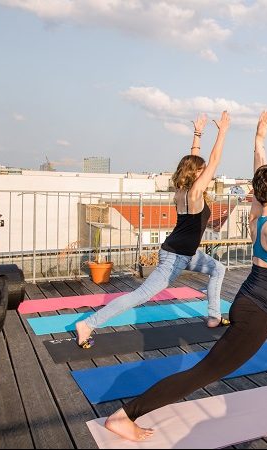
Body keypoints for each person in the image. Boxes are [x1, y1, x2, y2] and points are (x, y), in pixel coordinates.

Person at [102, 107, 267, 442]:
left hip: (264, 302)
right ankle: (124, 416)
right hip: (258, 314)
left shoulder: (257, 215)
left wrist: (259, 139)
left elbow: (263, 176)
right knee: (202, 373)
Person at [75, 111, 232, 348]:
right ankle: (88, 324)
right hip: (174, 258)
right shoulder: (194, 193)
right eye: (202, 171)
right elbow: (214, 160)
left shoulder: (184, 191)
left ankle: (213, 316)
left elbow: (194, 160)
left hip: (186, 253)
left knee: (217, 269)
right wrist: (222, 132)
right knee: (139, 296)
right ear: (196, 175)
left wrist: (198, 134)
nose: (207, 173)